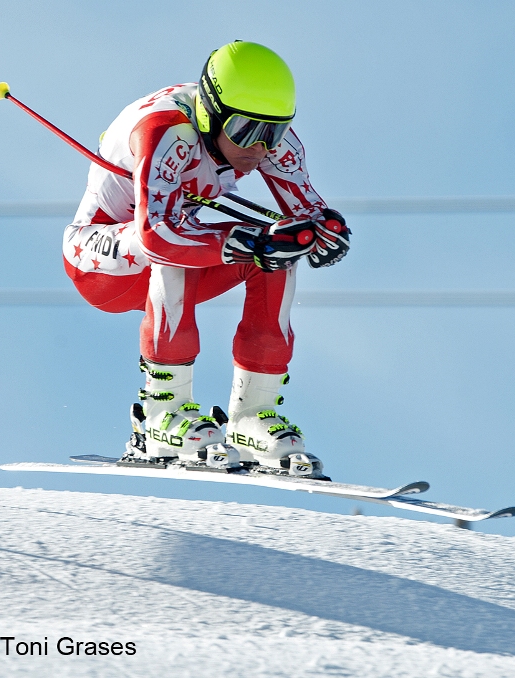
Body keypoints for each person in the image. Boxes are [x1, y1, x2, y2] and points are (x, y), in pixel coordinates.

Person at [62, 41, 350, 477]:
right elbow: (156, 234)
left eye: (272, 133)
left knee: (280, 251)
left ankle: (252, 415)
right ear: (211, 114)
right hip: (101, 261)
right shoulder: (165, 131)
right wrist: (245, 242)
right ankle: (164, 413)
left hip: (178, 256)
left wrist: (325, 231)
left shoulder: (271, 142)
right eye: (245, 132)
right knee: (181, 241)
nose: (259, 149)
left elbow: (306, 210)